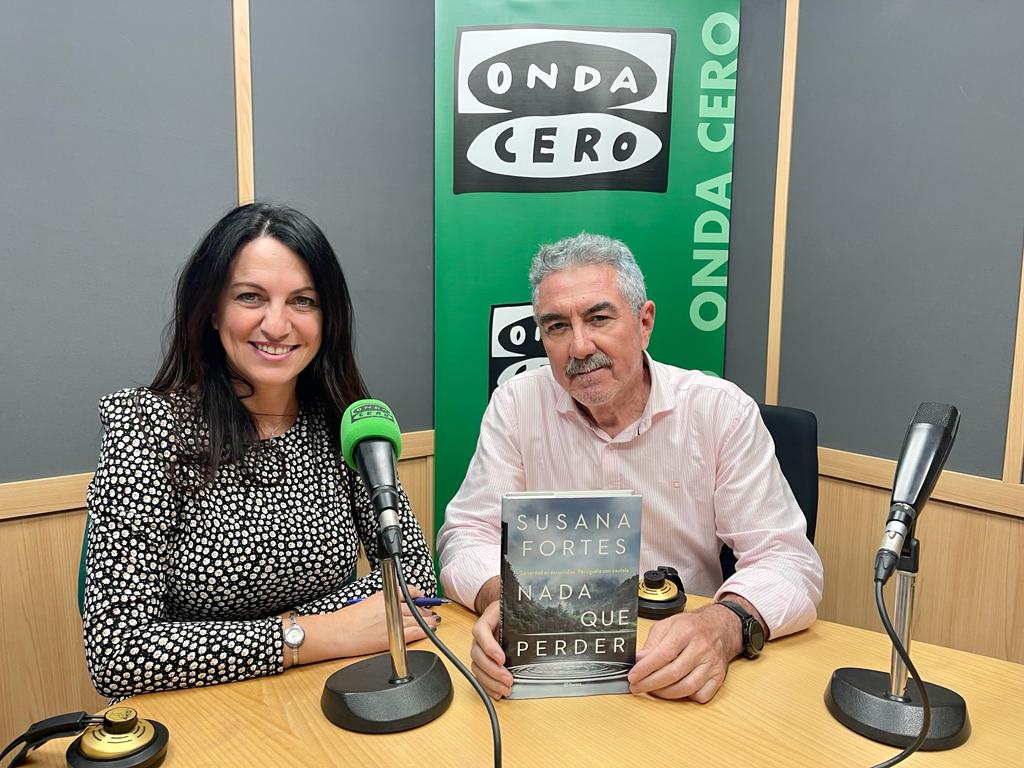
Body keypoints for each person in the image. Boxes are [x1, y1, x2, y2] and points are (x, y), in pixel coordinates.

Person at [437, 232, 824, 703]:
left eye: (599, 318)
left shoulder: (720, 411)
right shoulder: (517, 405)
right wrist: (506, 599)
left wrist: (723, 627)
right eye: (557, 327)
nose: (579, 347)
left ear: (644, 323)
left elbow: (787, 561)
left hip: (680, 665)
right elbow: (464, 535)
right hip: (550, 662)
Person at [83, 203, 438, 700]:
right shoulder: (147, 426)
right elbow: (119, 652)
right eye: (251, 297)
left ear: (328, 317)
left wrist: (226, 642)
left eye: (303, 301)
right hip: (198, 710)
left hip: (322, 694)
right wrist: (315, 633)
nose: (277, 324)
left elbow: (411, 587)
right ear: (211, 310)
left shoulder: (349, 422)